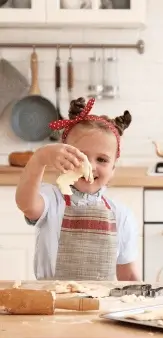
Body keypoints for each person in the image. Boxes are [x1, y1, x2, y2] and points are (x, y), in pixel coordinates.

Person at [16, 97, 140, 281]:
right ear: (63, 156)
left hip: (100, 303)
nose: (89, 165)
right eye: (80, 156)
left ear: (113, 168)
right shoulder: (51, 199)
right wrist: (40, 158)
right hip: (53, 300)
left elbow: (128, 275)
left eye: (102, 160)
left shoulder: (121, 215)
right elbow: (26, 204)